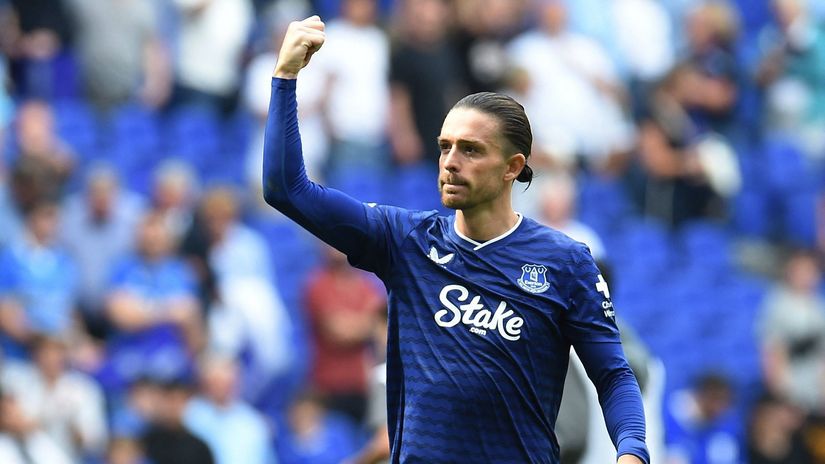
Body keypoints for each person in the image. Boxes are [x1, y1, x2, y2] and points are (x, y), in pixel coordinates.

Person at [262, 16, 648, 463]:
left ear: (512, 166)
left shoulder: (565, 262)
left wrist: (632, 453)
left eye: (471, 149)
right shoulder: (404, 241)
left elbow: (614, 375)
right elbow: (286, 189)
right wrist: (285, 76)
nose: (450, 162)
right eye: (445, 146)